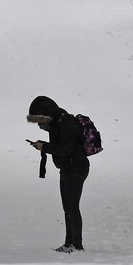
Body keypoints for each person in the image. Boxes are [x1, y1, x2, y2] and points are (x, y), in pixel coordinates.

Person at [27, 95, 89, 253]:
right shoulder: (56, 124)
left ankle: (77, 246)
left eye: (40, 121)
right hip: (67, 168)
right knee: (67, 207)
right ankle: (69, 243)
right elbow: (59, 146)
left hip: (76, 167)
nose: (39, 125)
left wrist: (44, 147)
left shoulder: (66, 123)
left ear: (46, 115)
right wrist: (43, 145)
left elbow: (65, 149)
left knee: (72, 207)